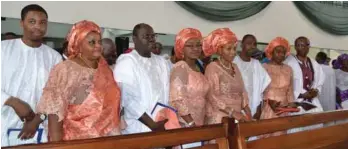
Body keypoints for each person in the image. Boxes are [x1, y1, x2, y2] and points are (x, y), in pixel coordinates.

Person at [36, 20, 121, 141]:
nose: (98, 46)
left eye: (99, 41)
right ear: (78, 44)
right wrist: (56, 144)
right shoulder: (65, 69)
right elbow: (54, 112)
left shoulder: (104, 67)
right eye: (92, 42)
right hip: (77, 141)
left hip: (107, 139)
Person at [1, 4, 62, 146]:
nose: (38, 27)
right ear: (22, 23)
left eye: (42, 23)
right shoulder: (3, 49)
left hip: (39, 128)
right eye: (32, 21)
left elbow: (55, 96)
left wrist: (37, 119)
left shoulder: (54, 57)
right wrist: (13, 102)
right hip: (3, 122)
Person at [113, 23, 172, 134]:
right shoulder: (127, 62)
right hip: (138, 127)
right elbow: (128, 100)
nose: (151, 40)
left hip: (162, 125)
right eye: (146, 36)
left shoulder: (162, 62)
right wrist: (153, 125)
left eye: (153, 36)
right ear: (134, 39)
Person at [204, 28, 252, 125]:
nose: (233, 52)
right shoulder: (212, 67)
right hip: (220, 117)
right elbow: (212, 96)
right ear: (220, 50)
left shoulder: (235, 67)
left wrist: (248, 112)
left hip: (238, 117)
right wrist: (232, 112)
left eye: (234, 49)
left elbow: (242, 92)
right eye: (229, 49)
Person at [284, 36, 325, 133]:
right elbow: (285, 84)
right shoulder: (288, 62)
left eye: (303, 45)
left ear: (308, 47)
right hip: (295, 100)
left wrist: (316, 91)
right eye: (298, 45)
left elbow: (320, 80)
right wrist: (301, 94)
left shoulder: (313, 63)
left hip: (312, 101)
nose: (300, 48)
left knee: (316, 126)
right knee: (296, 130)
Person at [170, 28, 209, 128]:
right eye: (190, 46)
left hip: (200, 121)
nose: (195, 49)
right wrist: (191, 123)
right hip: (186, 124)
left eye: (198, 45)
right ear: (181, 47)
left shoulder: (198, 68)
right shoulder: (181, 66)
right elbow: (177, 99)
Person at [259, 37, 294, 138]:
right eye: (278, 52)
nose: (281, 55)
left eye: (283, 52)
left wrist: (292, 106)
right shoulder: (264, 67)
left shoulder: (288, 69)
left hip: (283, 110)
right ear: (271, 52)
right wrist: (268, 101)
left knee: (281, 140)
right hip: (268, 108)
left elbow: (290, 91)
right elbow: (259, 91)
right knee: (265, 139)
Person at [233, 34, 271, 116]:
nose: (252, 46)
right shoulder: (234, 62)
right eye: (249, 43)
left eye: (254, 44)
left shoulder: (256, 64)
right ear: (241, 45)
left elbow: (262, 88)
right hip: (237, 108)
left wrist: (258, 108)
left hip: (254, 107)